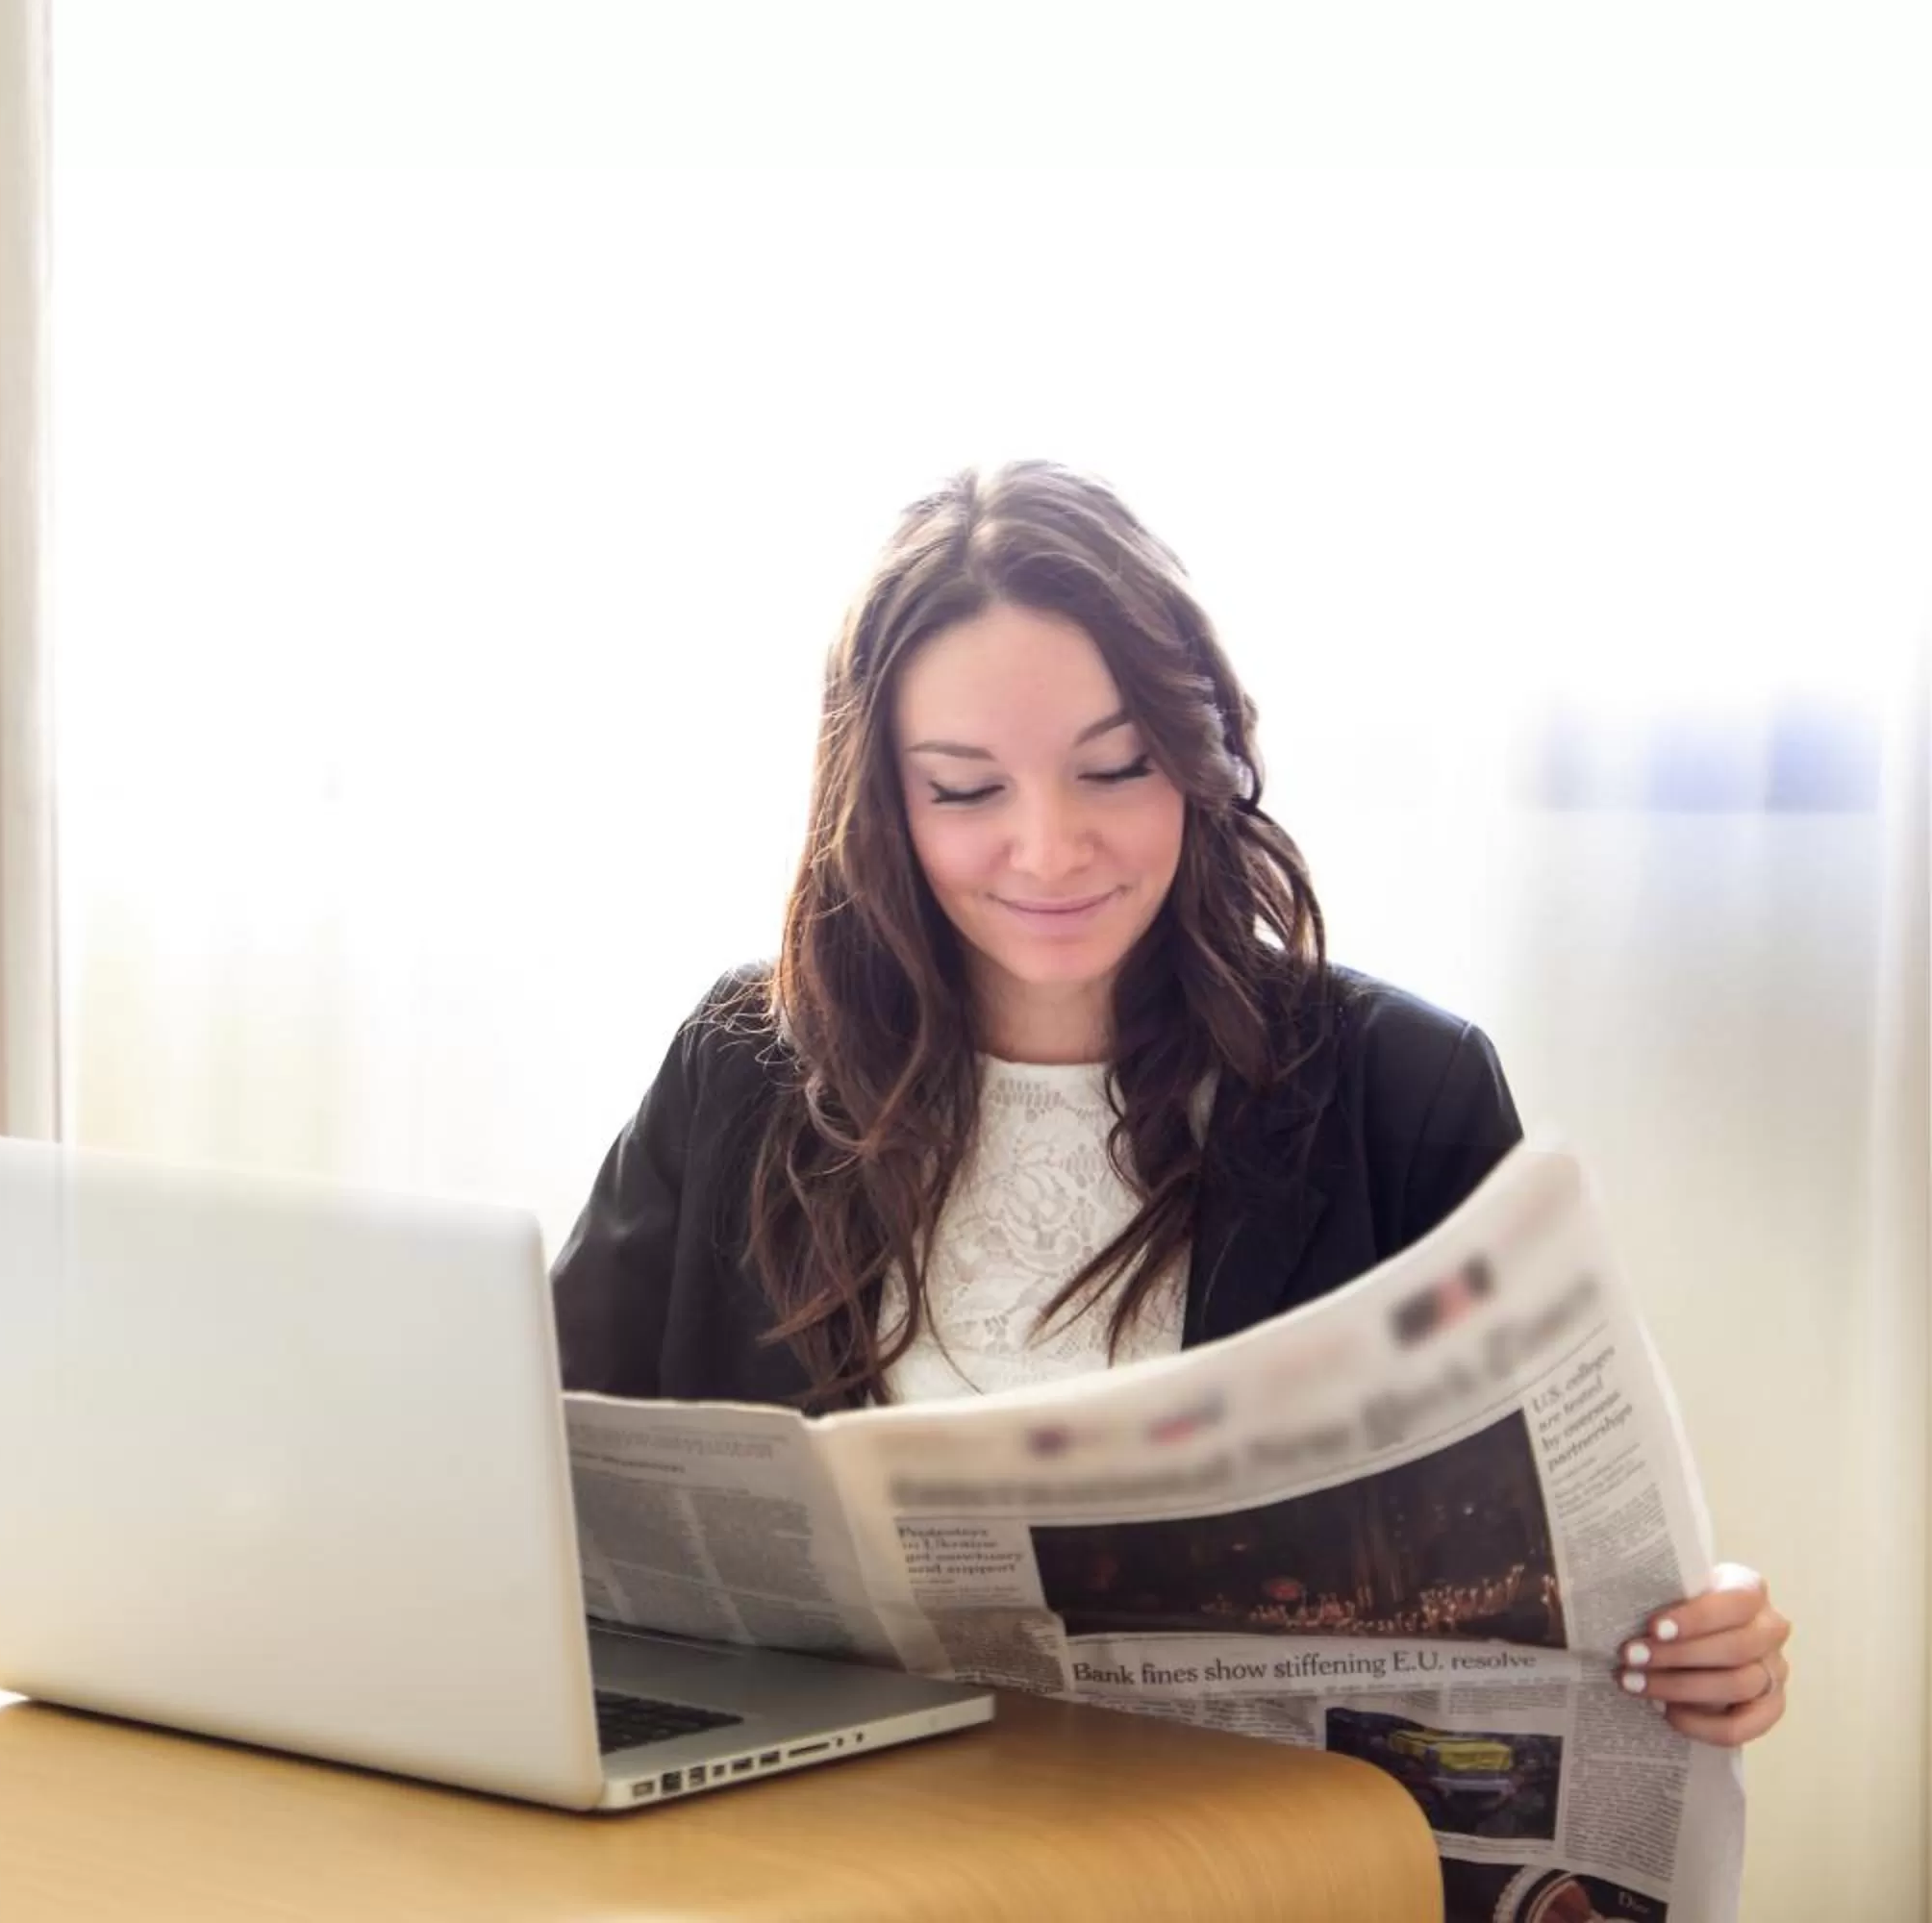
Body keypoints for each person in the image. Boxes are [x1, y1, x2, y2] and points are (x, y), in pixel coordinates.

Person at [550, 460, 1791, 1746]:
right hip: (842, 1850)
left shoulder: (1403, 1091)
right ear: (881, 806)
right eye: (967, 789)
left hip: (1246, 1851)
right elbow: (540, 1477)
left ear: (1200, 754)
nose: (1050, 847)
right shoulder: (740, 1069)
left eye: (1116, 767)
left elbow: (1572, 1549)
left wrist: (1703, 1641)